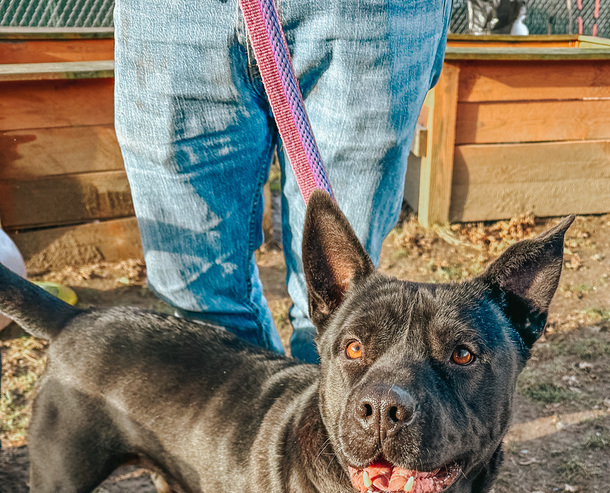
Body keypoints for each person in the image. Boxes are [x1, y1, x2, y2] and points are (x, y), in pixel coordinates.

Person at [114, 0, 452, 363]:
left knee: (339, 305)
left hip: (369, 14)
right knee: (203, 306)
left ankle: (320, 415)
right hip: (172, 15)